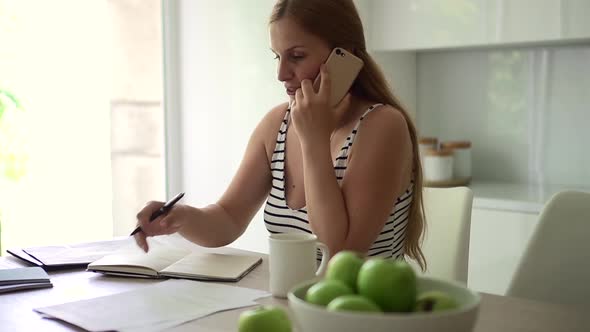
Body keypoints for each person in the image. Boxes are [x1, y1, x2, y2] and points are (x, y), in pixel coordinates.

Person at [134, 0, 426, 270]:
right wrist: (181, 217)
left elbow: (340, 255)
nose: (281, 73)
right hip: (297, 304)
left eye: (297, 56)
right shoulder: (277, 124)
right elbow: (228, 218)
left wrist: (314, 141)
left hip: (362, 311)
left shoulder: (383, 126)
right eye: (277, 56)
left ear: (344, 57)